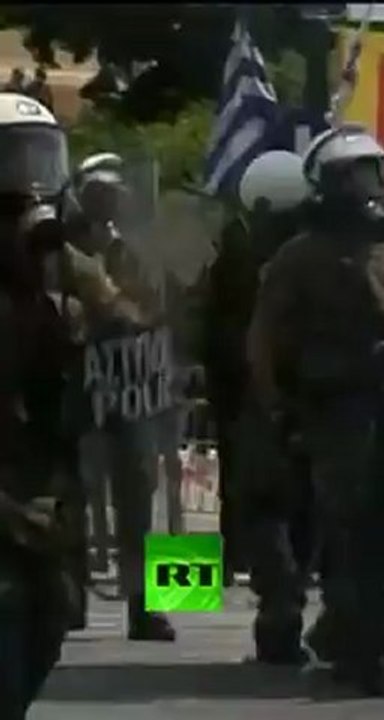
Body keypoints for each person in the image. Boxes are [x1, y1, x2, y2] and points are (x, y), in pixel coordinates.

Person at [247, 125, 384, 696]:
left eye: (369, 172)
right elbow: (262, 340)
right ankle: (336, 642)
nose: (362, 187)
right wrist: (278, 412)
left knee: (374, 529)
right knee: (338, 528)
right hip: (326, 408)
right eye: (350, 175)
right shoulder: (297, 255)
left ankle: (331, 630)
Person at [68, 151, 175, 641]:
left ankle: (150, 605)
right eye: (97, 194)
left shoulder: (141, 251)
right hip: (80, 392)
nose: (105, 205)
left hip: (137, 392)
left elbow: (155, 308)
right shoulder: (58, 252)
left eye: (113, 195)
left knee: (142, 499)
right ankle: (68, 599)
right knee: (71, 495)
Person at [0, 91, 79, 719]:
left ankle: (160, 599)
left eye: (35, 159)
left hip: (33, 490)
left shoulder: (44, 288)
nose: (26, 182)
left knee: (50, 615)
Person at [203, 151, 306, 585]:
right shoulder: (229, 250)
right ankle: (183, 589)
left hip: (269, 384)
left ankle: (179, 595)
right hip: (241, 383)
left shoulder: (301, 249)